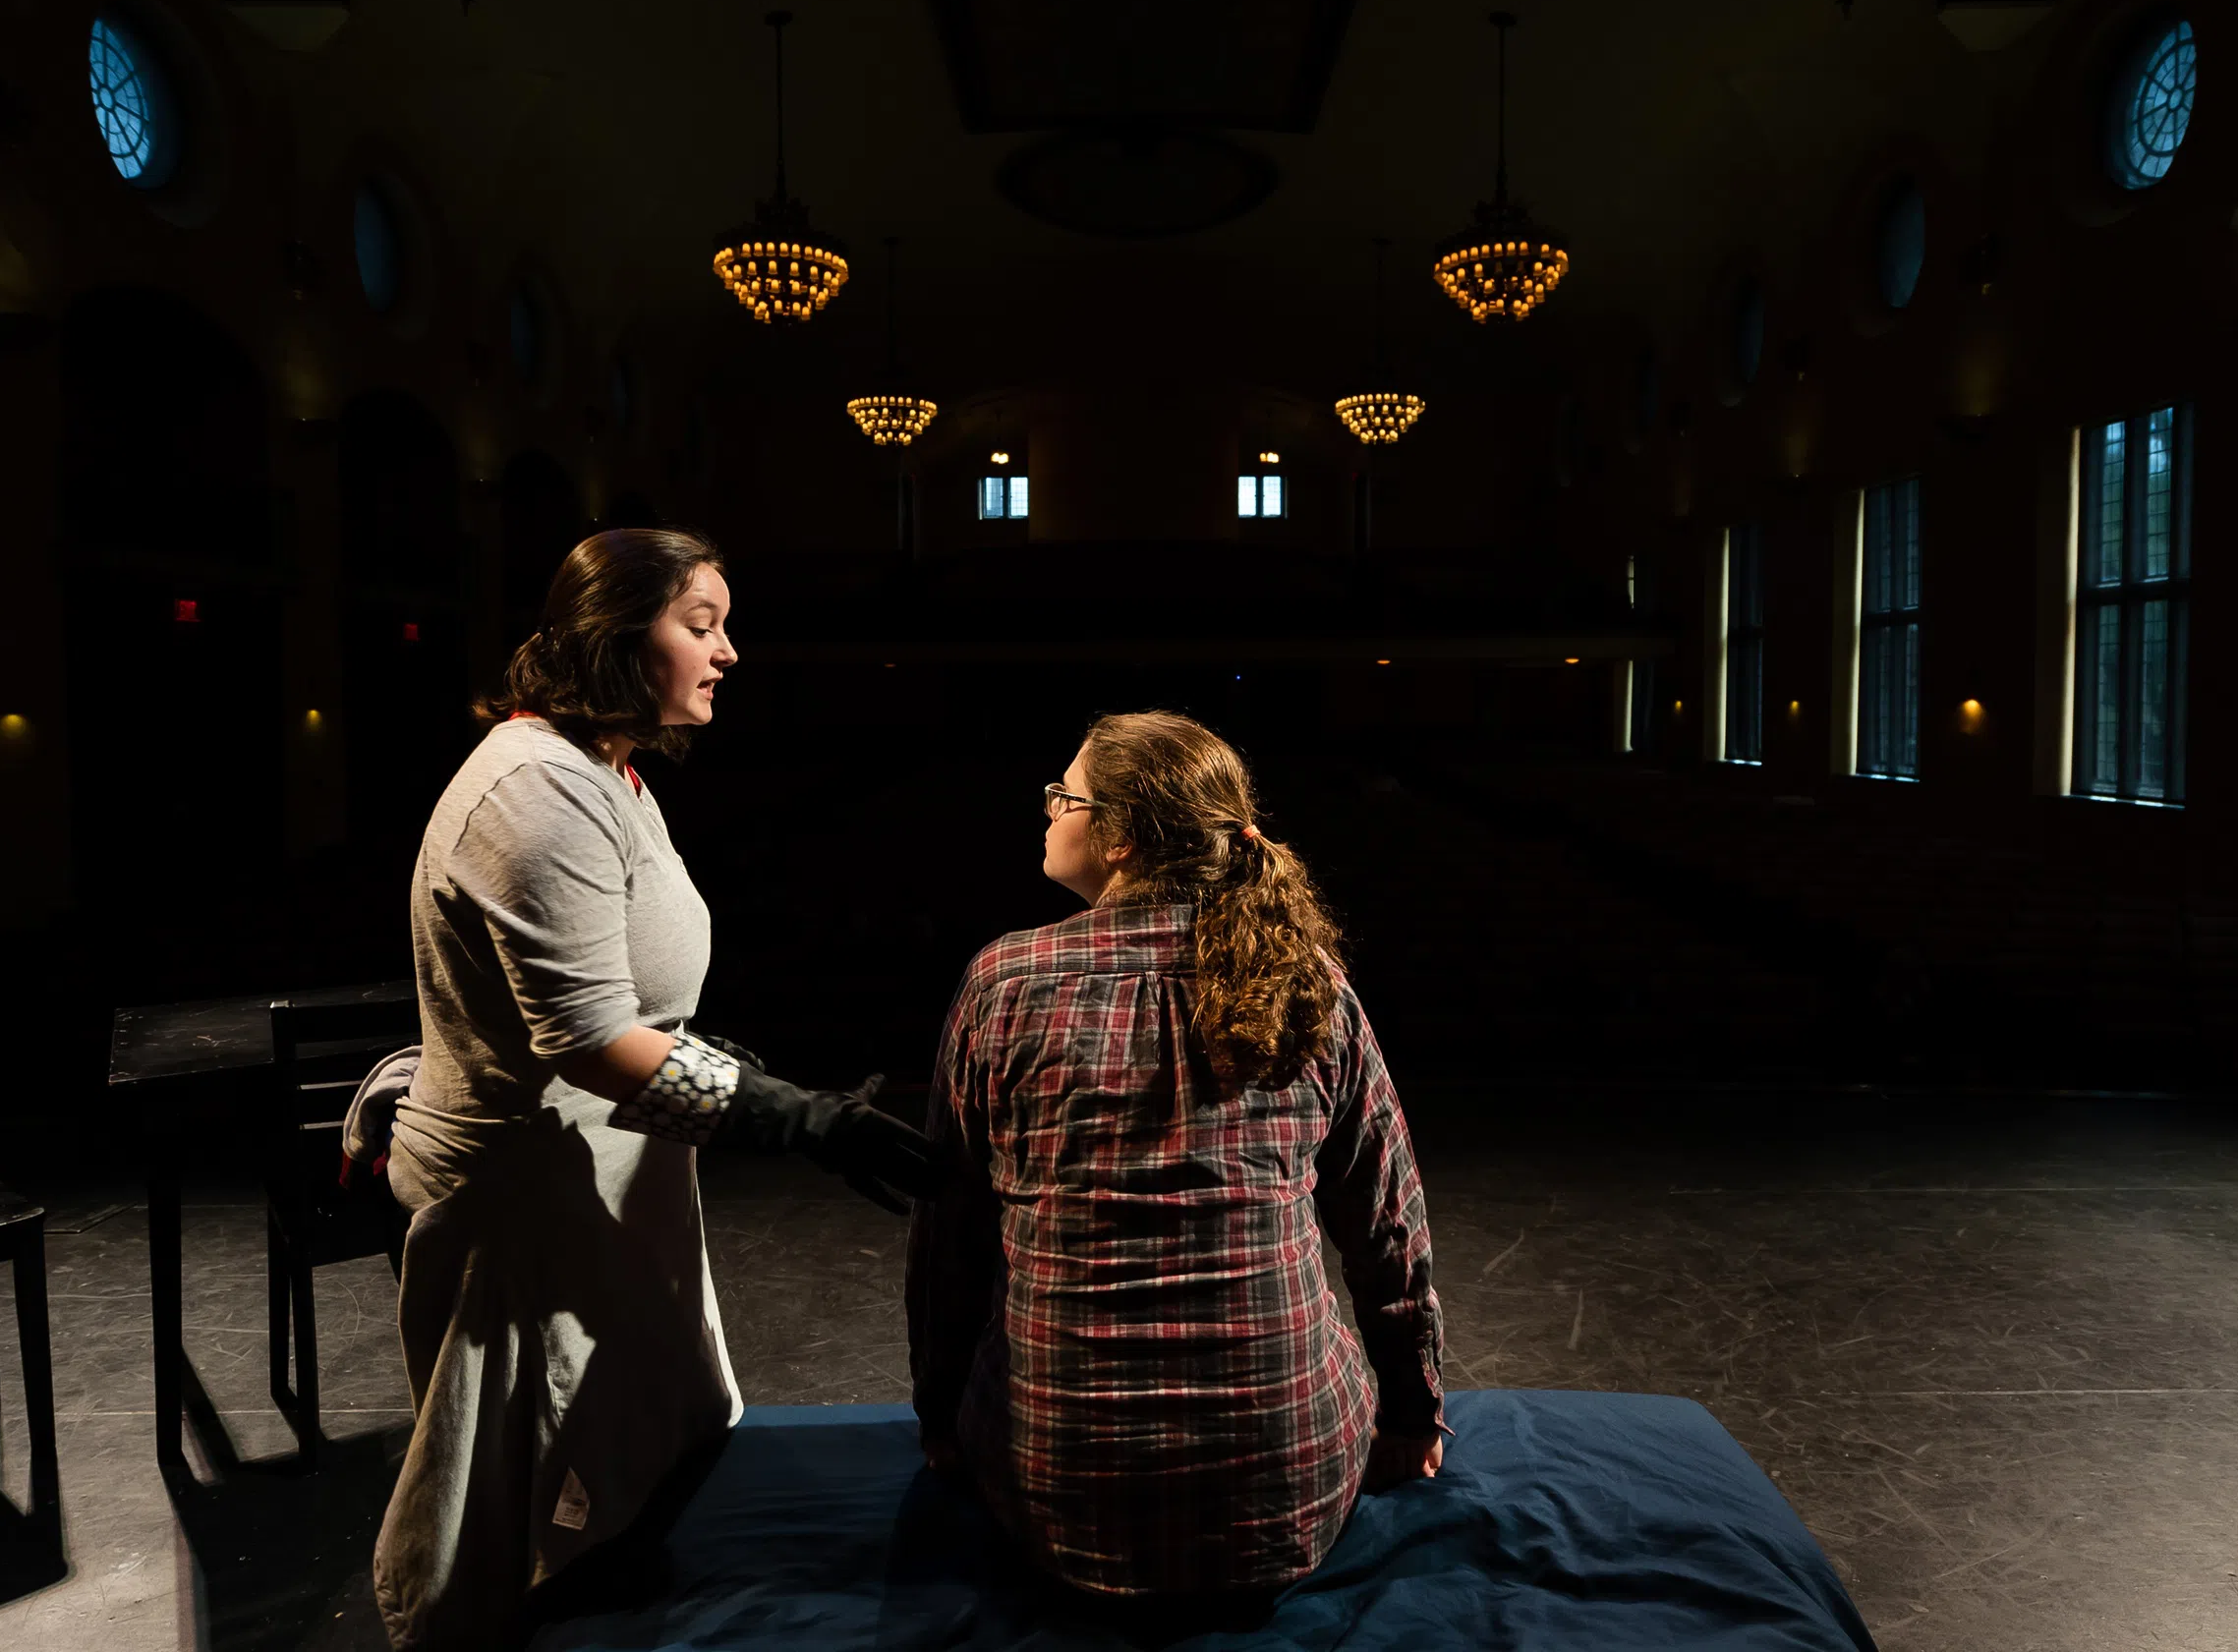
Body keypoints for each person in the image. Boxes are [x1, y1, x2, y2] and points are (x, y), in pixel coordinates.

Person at [373, 528, 936, 1651]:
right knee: (523, 1511)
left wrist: (735, 1070)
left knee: (635, 1463)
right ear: (616, 636)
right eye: (701, 622)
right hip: (526, 1197)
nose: (727, 651)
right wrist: (802, 1120)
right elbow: (586, 1037)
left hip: (606, 1169)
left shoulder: (607, 769)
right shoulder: (536, 788)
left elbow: (626, 994)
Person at [906, 711, 1447, 1607]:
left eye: (1065, 796)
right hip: (1291, 1492)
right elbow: (1388, 1222)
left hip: (1057, 1503)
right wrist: (1413, 1412)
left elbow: (948, 1237)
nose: (1048, 811)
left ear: (1119, 838)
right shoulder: (1308, 980)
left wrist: (943, 1419)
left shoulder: (1003, 984)